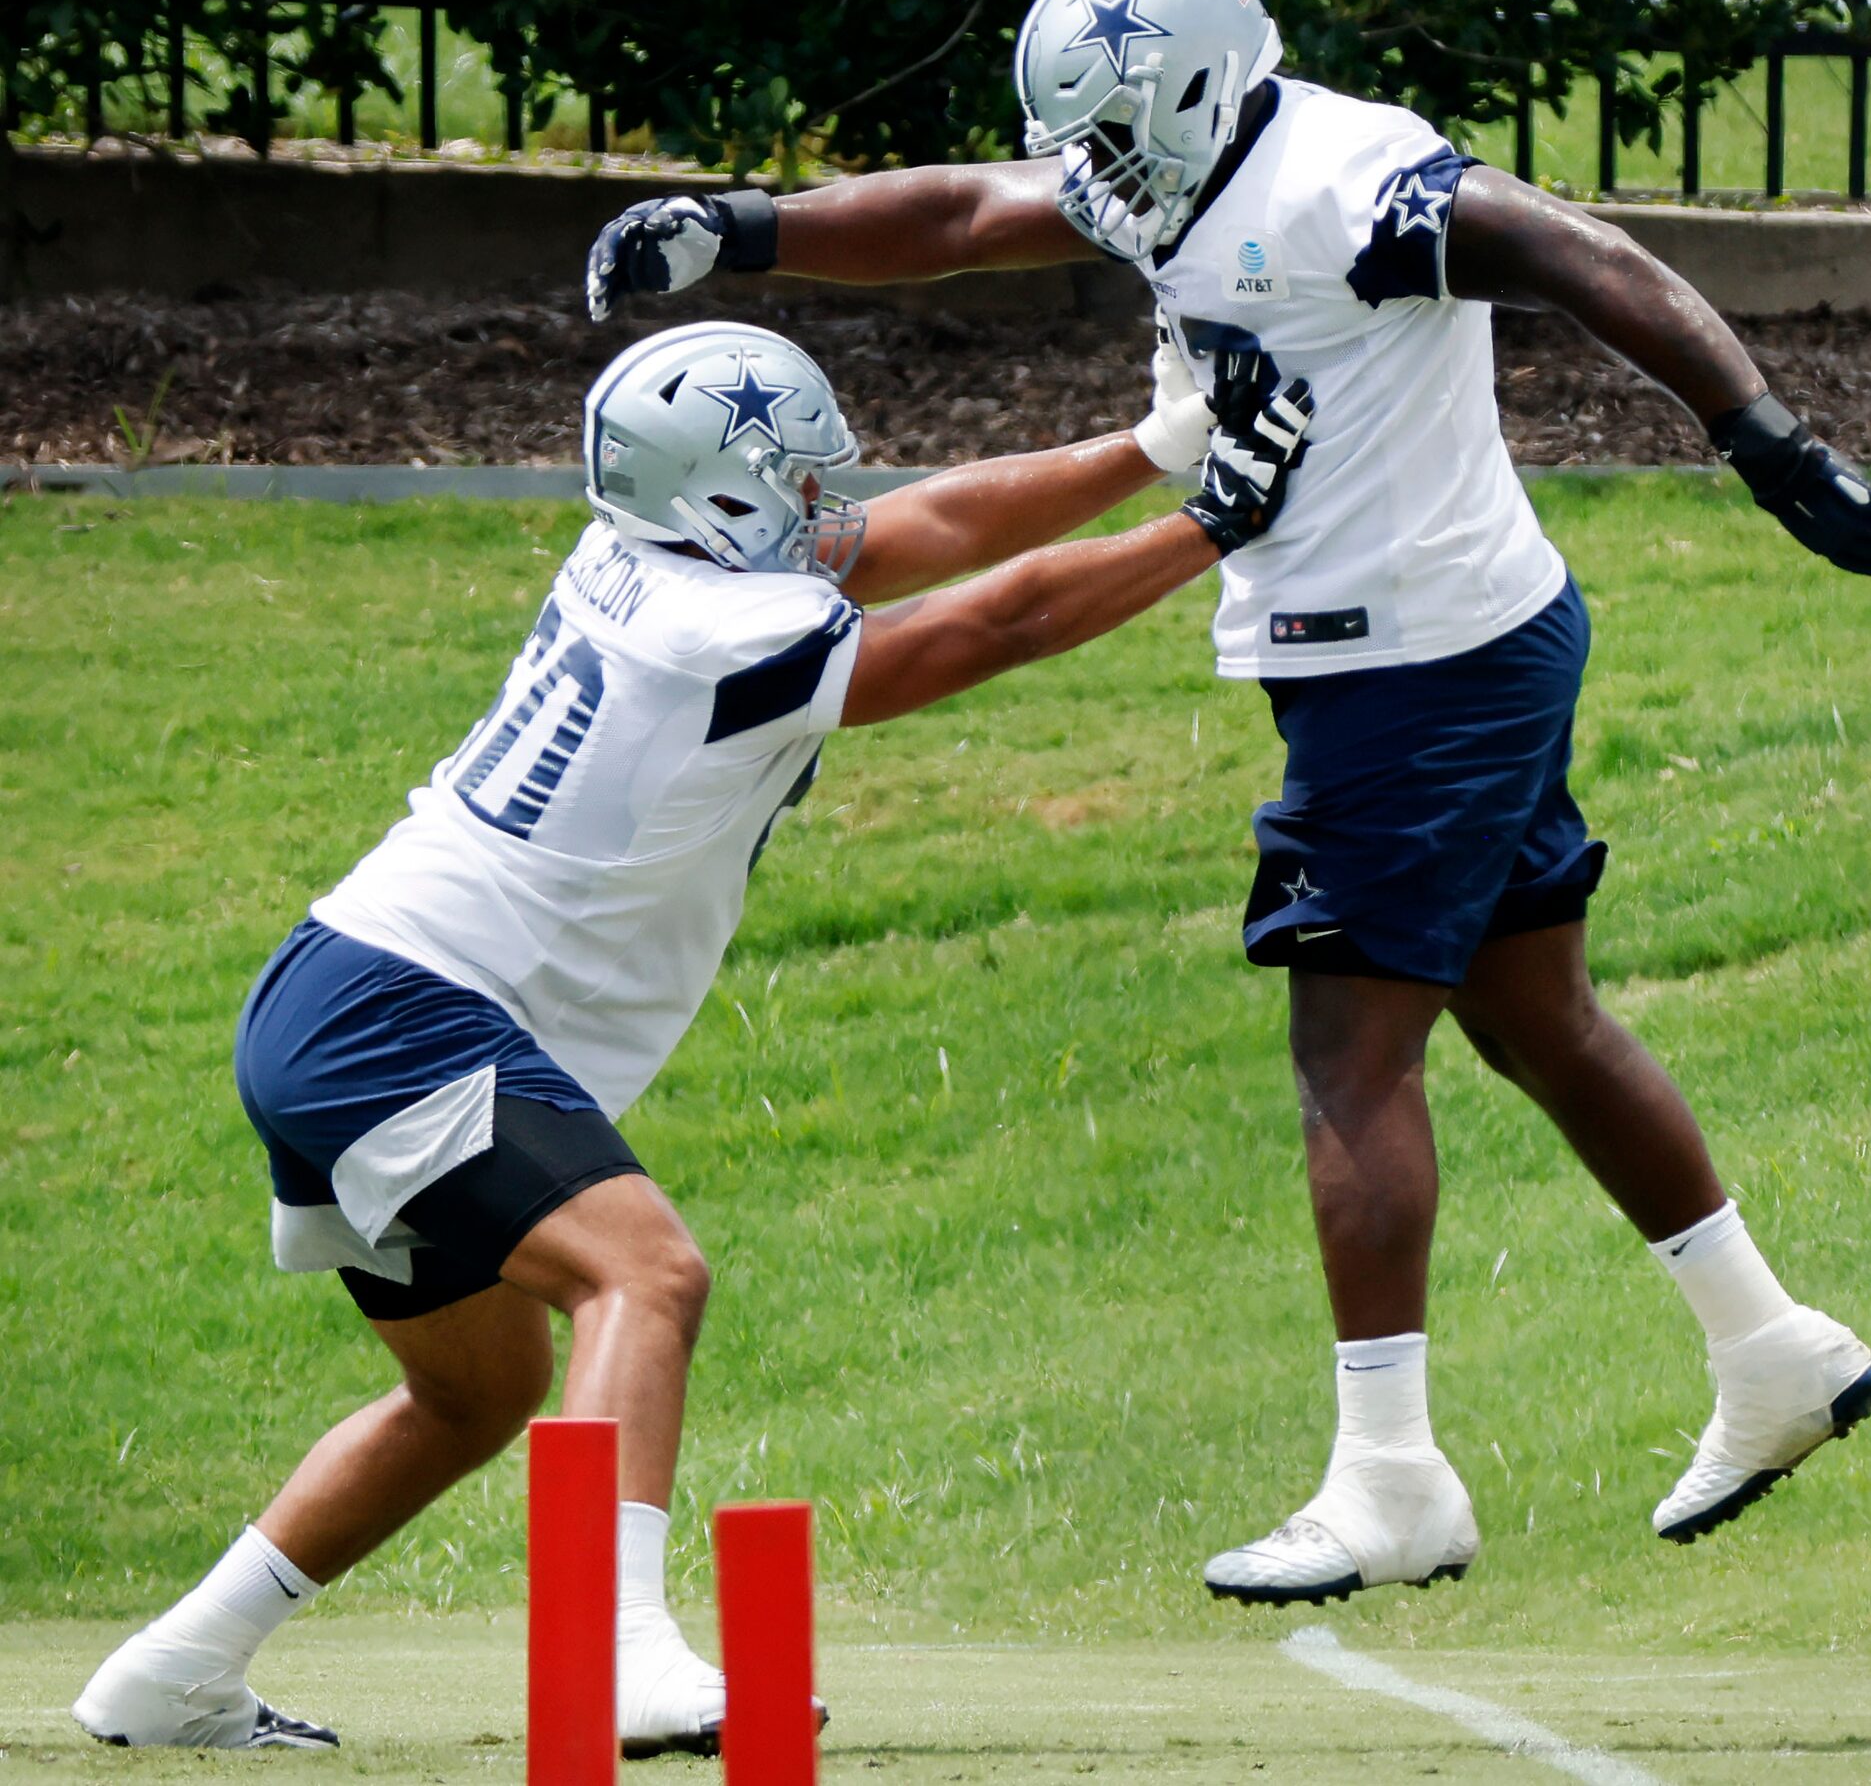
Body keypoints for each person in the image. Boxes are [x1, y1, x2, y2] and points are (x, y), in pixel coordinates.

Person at [585, 0, 1871, 1609]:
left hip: (1412, 671)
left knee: (1347, 1062)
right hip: (1453, 643)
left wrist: (1758, 435)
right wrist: (750, 229)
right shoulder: (1175, 157)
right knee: (1532, 1016)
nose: (1099, 183)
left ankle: (1389, 1482)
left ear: (1211, 83)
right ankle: (1772, 1347)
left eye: (1123, 141)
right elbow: (963, 215)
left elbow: (1580, 252)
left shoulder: (1352, 183)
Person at [70, 319, 1314, 1751]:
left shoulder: (641, 554)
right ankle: (617, 1654)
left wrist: (1158, 448)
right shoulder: (732, 623)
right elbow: (996, 619)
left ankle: (175, 1665)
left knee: (476, 1391)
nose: (814, 504)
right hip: (403, 1012)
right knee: (643, 1276)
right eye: (786, 478)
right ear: (717, 493)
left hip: (345, 985)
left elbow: (925, 527)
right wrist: (1213, 521)